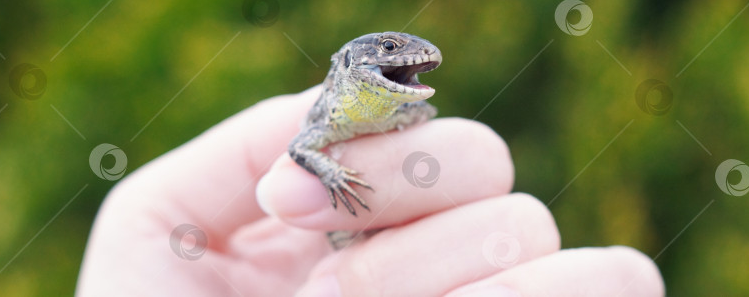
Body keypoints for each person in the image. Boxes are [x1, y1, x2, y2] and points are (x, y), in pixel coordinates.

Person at [76, 86, 665, 296]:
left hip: (359, 237)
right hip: (335, 233)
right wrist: (333, 178)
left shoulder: (394, 113)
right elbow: (301, 149)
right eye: (386, 52)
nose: (408, 61)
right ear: (354, 66)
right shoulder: (319, 114)